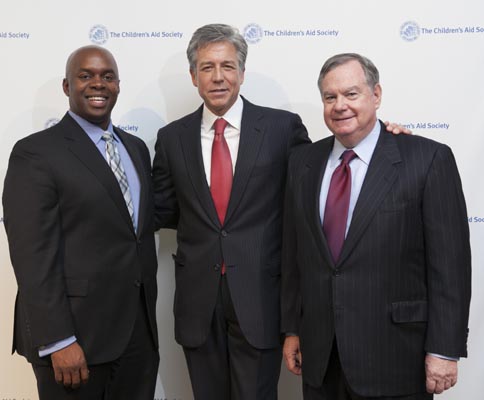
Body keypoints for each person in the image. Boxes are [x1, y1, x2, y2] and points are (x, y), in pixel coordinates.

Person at [153, 25, 408, 400]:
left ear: (242, 72)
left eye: (227, 65)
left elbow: (321, 181)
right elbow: (165, 209)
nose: (218, 76)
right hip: (197, 306)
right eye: (207, 67)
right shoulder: (172, 137)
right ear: (193, 76)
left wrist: (386, 138)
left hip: (261, 301)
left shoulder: (281, 128)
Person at [281, 53, 471, 400]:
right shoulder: (302, 162)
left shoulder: (426, 159)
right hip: (322, 359)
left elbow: (450, 267)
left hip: (396, 358)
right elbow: (296, 255)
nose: (340, 105)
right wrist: (293, 329)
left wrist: (444, 350)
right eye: (330, 97)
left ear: (376, 95)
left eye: (351, 94)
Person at [2, 45, 159, 400]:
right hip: (75, 342)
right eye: (85, 76)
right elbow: (32, 256)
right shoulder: (36, 153)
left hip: (137, 337)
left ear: (118, 85)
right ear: (66, 86)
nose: (97, 84)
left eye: (107, 77)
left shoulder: (135, 149)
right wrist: (59, 340)